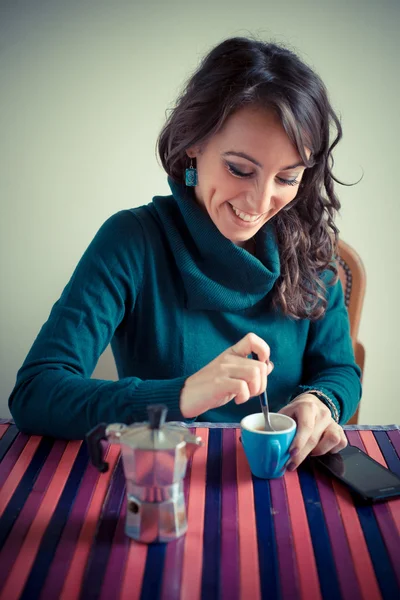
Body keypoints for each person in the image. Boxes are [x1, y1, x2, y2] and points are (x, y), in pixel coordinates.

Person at [9, 36, 361, 471]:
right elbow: (36, 392)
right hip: (162, 479)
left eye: (286, 178)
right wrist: (183, 394)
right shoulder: (131, 241)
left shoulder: (311, 250)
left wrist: (319, 400)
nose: (259, 202)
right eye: (239, 169)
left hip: (280, 481)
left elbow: (341, 371)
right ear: (195, 142)